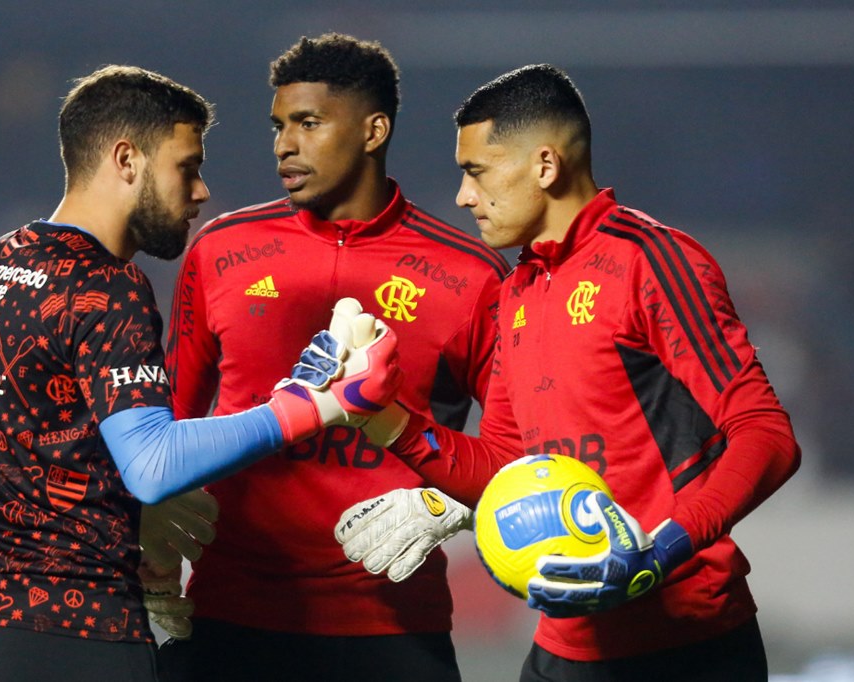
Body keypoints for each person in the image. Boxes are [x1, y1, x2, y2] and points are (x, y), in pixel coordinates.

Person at [0, 64, 401, 682]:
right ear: (126, 159)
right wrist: (314, 403)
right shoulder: (108, 286)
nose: (201, 191)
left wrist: (88, 492)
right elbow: (155, 465)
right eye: (186, 167)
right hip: (70, 638)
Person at [338, 63, 801, 681]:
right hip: (565, 646)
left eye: (475, 172)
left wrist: (658, 554)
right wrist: (385, 418)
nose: (463, 196)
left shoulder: (652, 262)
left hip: (684, 642)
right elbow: (505, 462)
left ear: (546, 166)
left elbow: (766, 433)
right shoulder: (517, 292)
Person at [154, 33, 513, 682]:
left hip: (394, 625)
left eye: (308, 123)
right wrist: (146, 560)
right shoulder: (220, 252)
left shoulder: (472, 276)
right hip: (232, 618)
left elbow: (521, 452)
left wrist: (453, 506)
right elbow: (162, 425)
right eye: (278, 125)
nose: (283, 144)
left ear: (374, 130)